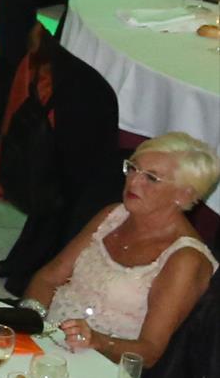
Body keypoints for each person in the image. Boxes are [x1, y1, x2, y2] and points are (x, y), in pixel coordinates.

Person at [31, 133, 220, 363]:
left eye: (151, 178)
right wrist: (29, 321)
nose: (133, 182)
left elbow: (150, 350)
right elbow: (49, 277)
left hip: (99, 363)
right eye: (133, 168)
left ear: (184, 194)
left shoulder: (185, 259)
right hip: (45, 337)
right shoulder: (113, 215)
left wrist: (98, 341)